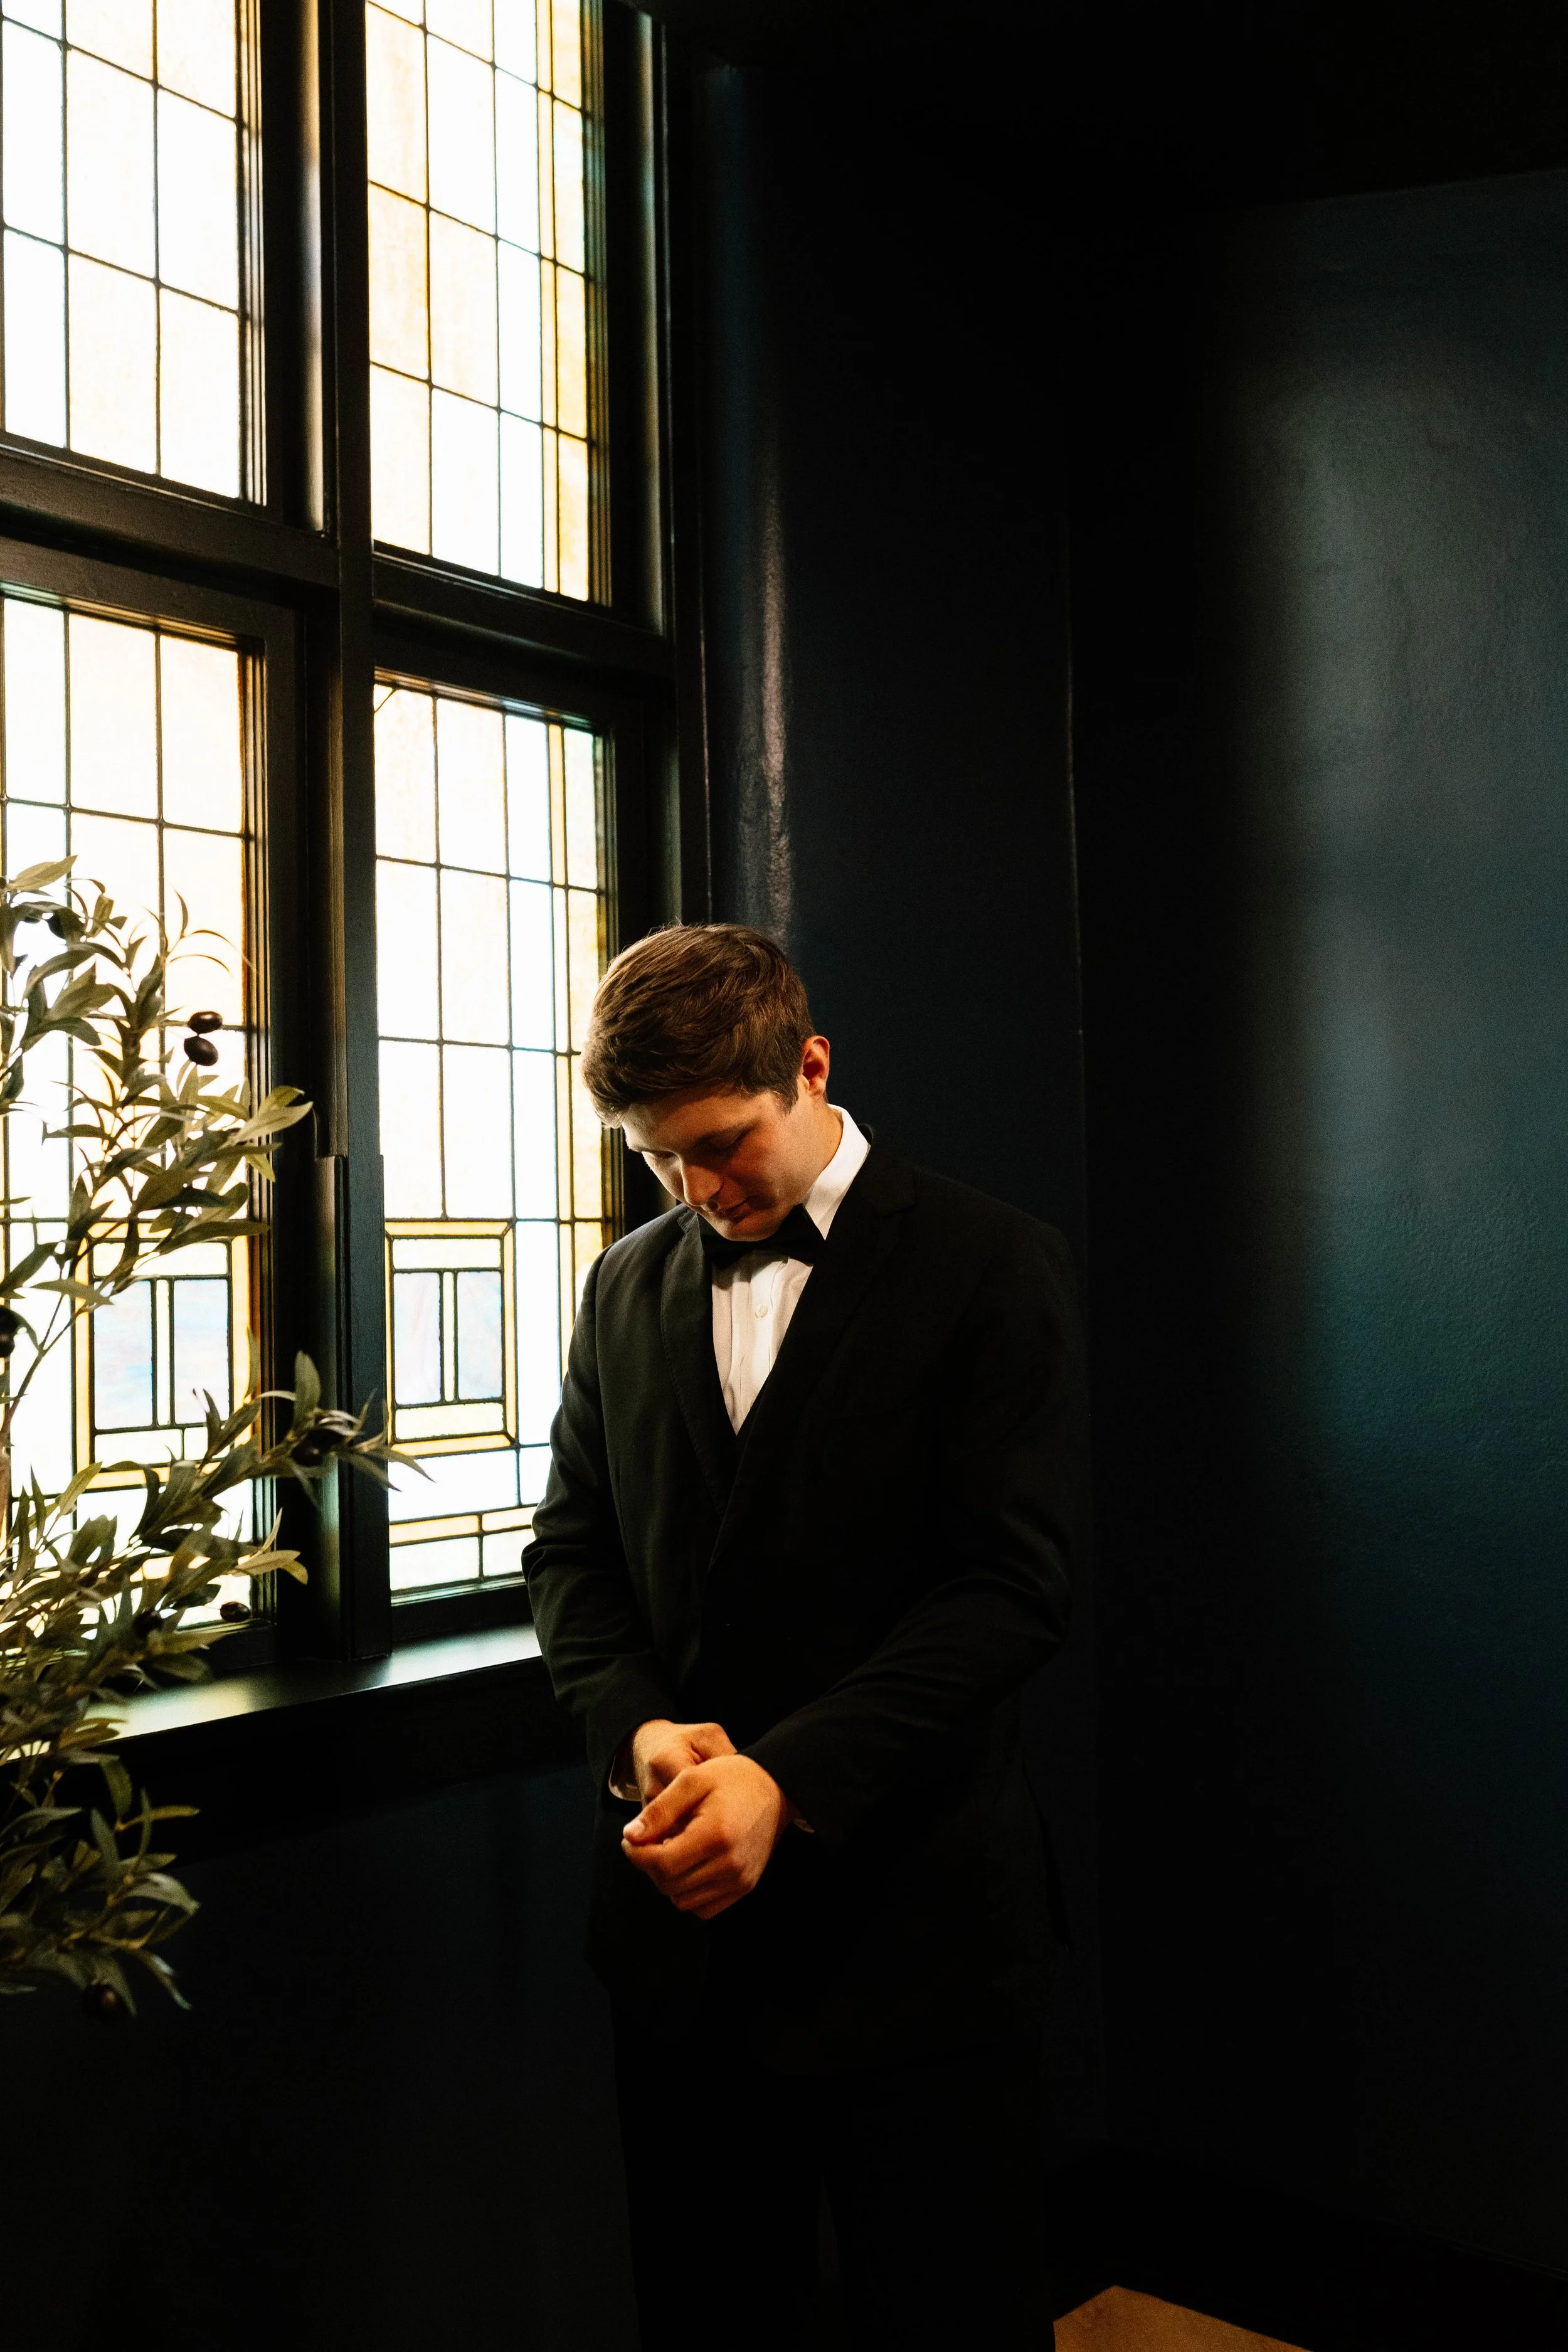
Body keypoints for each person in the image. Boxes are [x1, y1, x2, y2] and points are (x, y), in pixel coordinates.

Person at [524, 923, 1088, 2350]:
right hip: (676, 1954)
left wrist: (788, 1779)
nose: (695, 1190)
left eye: (720, 1143)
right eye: (656, 1158)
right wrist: (637, 1730)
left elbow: (1008, 1589)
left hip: (920, 1932)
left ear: (811, 1066)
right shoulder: (618, 1287)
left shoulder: (992, 1263)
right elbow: (572, 1557)